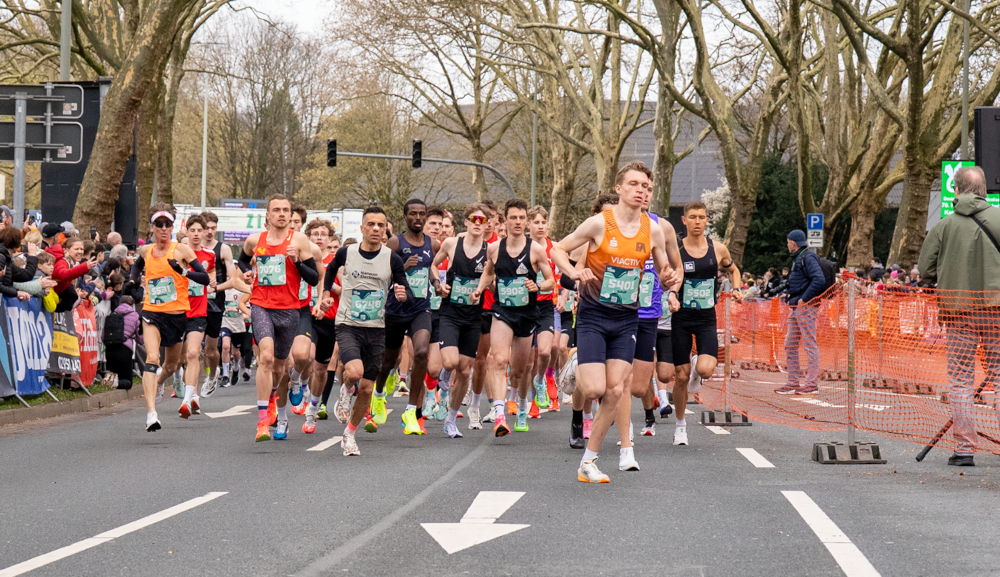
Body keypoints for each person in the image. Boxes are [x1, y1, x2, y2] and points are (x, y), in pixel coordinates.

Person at [551, 162, 678, 481]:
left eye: (647, 187)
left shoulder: (655, 229)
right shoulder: (598, 224)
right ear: (619, 189)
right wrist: (573, 271)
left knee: (616, 389)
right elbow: (558, 249)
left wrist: (669, 279)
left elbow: (664, 273)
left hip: (626, 320)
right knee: (594, 387)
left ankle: (589, 461)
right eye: (635, 184)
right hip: (594, 316)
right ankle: (578, 361)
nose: (641, 190)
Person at [918, 165, 1000, 467]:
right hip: (996, 308)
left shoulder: (943, 226)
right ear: (984, 190)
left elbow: (925, 270)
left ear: (956, 189)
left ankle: (965, 448)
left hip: (958, 312)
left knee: (961, 381)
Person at [322, 206, 409, 456]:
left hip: (376, 327)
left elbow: (405, 289)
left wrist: (403, 295)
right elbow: (329, 270)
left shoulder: (392, 259)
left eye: (380, 225)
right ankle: (347, 387)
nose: (375, 229)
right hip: (348, 324)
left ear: (385, 230)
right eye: (370, 224)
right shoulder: (346, 252)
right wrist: (327, 293)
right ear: (361, 228)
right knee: (355, 371)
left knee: (368, 388)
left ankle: (349, 434)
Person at [237, 194, 319, 442]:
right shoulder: (255, 240)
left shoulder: (300, 241)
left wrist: (296, 261)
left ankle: (273, 394)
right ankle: (262, 421)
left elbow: (313, 278)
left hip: (290, 309)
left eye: (286, 210)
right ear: (268, 216)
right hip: (262, 305)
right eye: (277, 210)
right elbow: (242, 261)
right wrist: (247, 273)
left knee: (282, 366)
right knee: (267, 356)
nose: (282, 214)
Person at [473, 198, 554, 436]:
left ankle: (521, 405)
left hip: (527, 315)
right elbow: (488, 273)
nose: (517, 222)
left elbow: (550, 281)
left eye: (521, 218)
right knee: (498, 360)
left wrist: (537, 286)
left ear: (526, 221)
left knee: (519, 370)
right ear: (504, 221)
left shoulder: (536, 250)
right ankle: (499, 414)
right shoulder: (495, 248)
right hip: (502, 312)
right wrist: (479, 289)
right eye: (513, 218)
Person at [131, 203, 211, 432]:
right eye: (159, 224)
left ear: (173, 227)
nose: (164, 228)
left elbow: (204, 279)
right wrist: (133, 281)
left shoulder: (182, 251)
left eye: (168, 224)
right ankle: (151, 413)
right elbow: (137, 267)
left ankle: (156, 386)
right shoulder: (146, 251)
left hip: (177, 316)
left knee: (173, 363)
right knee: (152, 358)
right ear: (152, 228)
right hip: (152, 313)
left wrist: (183, 272)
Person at [670, 200, 743, 447]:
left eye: (701, 217)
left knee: (705, 370)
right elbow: (664, 275)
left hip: (705, 318)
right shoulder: (676, 249)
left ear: (707, 220)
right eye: (692, 217)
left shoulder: (718, 249)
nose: (697, 222)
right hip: (680, 317)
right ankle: (680, 426)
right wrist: (669, 290)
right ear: (684, 220)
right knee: (680, 377)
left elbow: (733, 270)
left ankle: (696, 363)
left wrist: (737, 289)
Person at [370, 199, 440, 435]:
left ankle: (411, 410)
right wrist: (403, 269)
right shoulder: (394, 243)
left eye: (422, 214)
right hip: (395, 310)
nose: (418, 218)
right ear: (405, 217)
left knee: (421, 353)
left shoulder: (433, 244)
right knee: (389, 360)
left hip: (420, 307)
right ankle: (378, 394)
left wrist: (436, 282)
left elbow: (429, 266)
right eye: (413, 214)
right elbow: (381, 275)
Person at [432, 203, 490, 437]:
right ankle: (444, 381)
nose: (478, 224)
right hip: (450, 313)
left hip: (473, 317)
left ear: (487, 225)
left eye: (482, 220)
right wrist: (438, 284)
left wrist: (483, 285)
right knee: (449, 363)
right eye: (474, 219)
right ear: (465, 222)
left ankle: (450, 419)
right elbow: (434, 266)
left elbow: (493, 281)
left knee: (465, 371)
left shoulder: (491, 250)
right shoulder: (451, 244)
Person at [774, 230, 826, 395]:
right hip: (798, 306)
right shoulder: (802, 257)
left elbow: (819, 279)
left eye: (788, 242)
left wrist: (804, 299)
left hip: (804, 306)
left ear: (793, 243)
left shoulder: (806, 258)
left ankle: (811, 383)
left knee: (809, 343)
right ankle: (793, 382)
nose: (787, 245)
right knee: (790, 344)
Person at [176, 214, 216, 418]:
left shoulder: (209, 255)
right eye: (192, 230)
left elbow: (212, 277)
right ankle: (178, 380)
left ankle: (189, 399)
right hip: (178, 310)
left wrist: (213, 283)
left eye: (200, 230)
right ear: (187, 233)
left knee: (192, 354)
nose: (197, 234)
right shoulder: (177, 254)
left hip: (199, 311)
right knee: (177, 359)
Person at [301, 218, 339, 435]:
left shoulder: (337, 261)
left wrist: (329, 284)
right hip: (307, 314)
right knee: (306, 355)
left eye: (323, 234)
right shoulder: (303, 259)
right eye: (315, 234)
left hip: (330, 319)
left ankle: (313, 408)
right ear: (308, 238)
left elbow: (345, 290)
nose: (319, 238)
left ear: (330, 238)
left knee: (322, 369)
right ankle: (302, 386)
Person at [199, 212, 239, 396]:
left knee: (210, 349)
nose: (209, 232)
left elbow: (233, 280)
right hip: (192, 301)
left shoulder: (223, 249)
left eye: (213, 228)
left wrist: (215, 288)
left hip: (214, 303)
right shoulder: (190, 248)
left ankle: (212, 374)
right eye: (206, 228)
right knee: (189, 350)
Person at [105, 295, 142, 390]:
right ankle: (115, 383)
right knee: (128, 381)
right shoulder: (135, 316)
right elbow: (140, 339)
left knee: (115, 372)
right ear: (132, 304)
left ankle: (109, 379)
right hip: (125, 350)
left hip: (110, 349)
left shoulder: (112, 314)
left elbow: (103, 336)